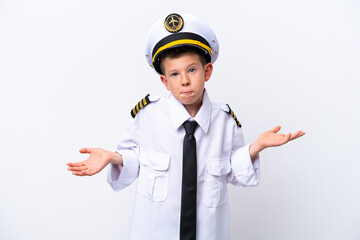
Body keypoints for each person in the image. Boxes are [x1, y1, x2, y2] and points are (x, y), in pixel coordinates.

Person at [67, 12, 305, 240]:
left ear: (207, 71)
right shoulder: (148, 115)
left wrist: (257, 146)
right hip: (155, 232)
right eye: (174, 74)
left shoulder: (225, 121)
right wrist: (112, 157)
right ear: (164, 81)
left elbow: (233, 169)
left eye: (192, 70)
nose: (185, 81)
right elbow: (136, 159)